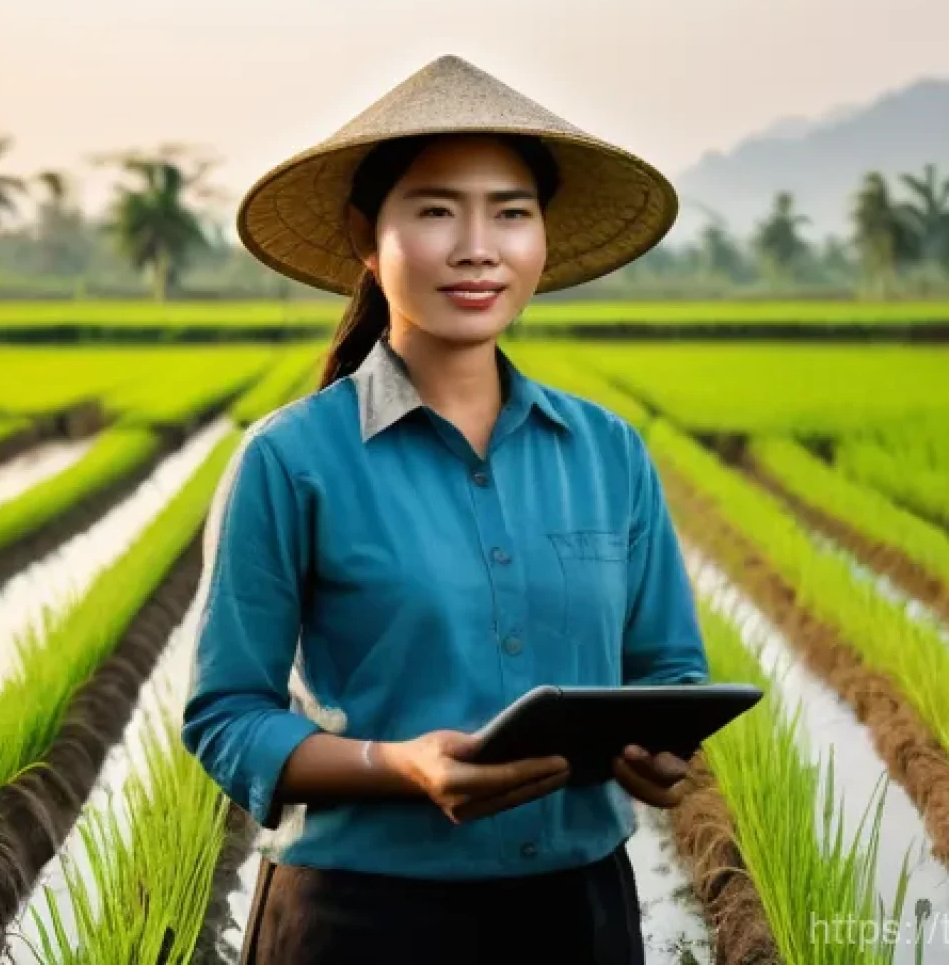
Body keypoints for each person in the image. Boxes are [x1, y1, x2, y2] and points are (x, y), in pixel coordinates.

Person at [181, 54, 709, 965]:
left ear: (541, 236)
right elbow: (228, 715)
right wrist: (399, 767)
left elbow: (670, 671)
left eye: (511, 211)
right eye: (436, 210)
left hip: (579, 918)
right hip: (358, 922)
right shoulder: (290, 458)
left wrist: (663, 750)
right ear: (364, 234)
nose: (479, 246)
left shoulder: (608, 452)